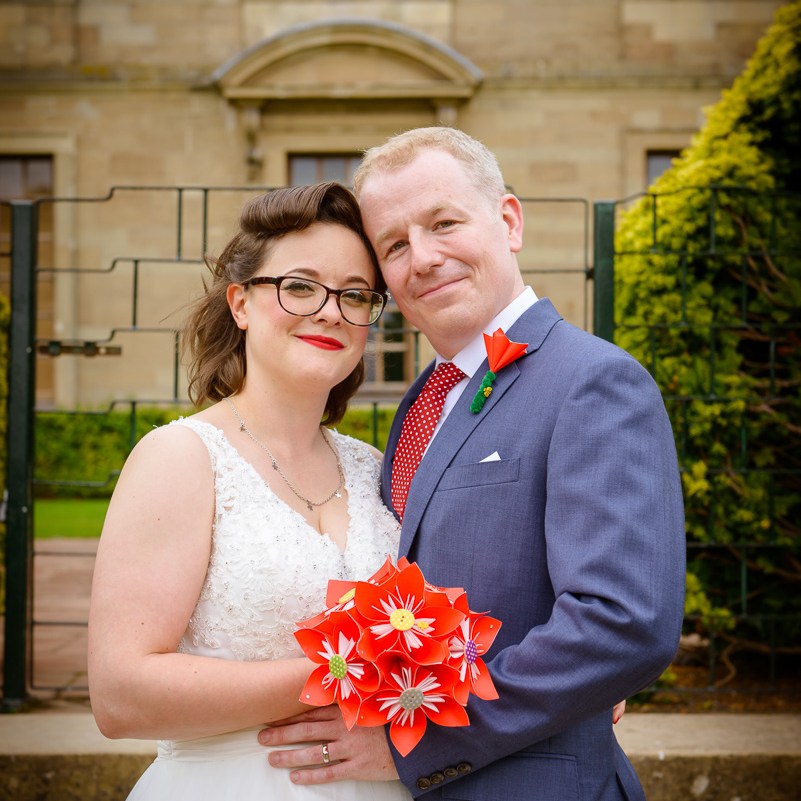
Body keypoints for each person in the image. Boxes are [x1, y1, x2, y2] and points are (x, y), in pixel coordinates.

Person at [259, 127, 686, 800]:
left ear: (508, 221)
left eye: (444, 223)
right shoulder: (420, 405)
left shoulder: (593, 382)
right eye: (395, 245)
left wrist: (418, 733)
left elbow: (621, 622)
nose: (422, 258)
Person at [87, 182, 413, 801]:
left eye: (354, 295)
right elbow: (120, 696)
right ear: (240, 302)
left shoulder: (375, 469)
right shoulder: (181, 458)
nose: (330, 311)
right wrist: (347, 672)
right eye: (299, 286)